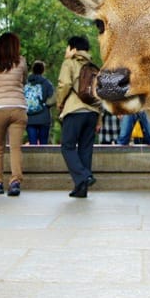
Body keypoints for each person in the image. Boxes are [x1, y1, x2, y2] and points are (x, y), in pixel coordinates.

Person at [56, 35, 100, 198]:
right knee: (85, 149)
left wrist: (60, 103)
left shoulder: (69, 63)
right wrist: (99, 117)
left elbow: (64, 84)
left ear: (73, 48)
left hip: (74, 110)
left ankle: (84, 176)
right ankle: (81, 188)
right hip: (92, 113)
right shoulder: (94, 67)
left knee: (67, 146)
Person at [0, 33, 28, 197]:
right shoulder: (21, 61)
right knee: (15, 148)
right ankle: (15, 182)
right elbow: (23, 81)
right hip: (18, 107)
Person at [24, 60, 56, 145]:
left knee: (32, 144)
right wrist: (46, 105)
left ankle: (33, 158)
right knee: (43, 143)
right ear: (43, 70)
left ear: (33, 70)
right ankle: (43, 158)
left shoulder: (26, 83)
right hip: (44, 117)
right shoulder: (47, 83)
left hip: (29, 118)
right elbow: (53, 98)